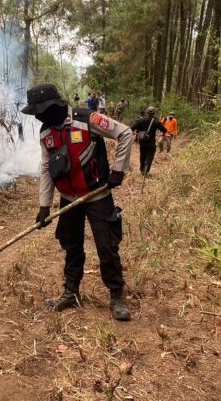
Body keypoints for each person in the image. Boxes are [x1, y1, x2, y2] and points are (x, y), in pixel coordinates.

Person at [21, 83, 134, 321]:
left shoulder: (87, 118)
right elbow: (46, 168)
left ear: (53, 107)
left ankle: (116, 296)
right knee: (71, 246)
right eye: (36, 114)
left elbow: (124, 133)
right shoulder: (46, 133)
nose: (39, 117)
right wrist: (44, 205)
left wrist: (118, 170)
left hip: (97, 196)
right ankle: (70, 292)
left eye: (41, 112)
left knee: (106, 247)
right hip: (69, 199)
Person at [130, 106, 167, 176]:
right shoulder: (156, 121)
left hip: (142, 141)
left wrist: (136, 133)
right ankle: (146, 170)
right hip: (151, 142)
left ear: (146, 112)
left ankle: (141, 169)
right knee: (149, 156)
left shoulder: (140, 120)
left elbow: (132, 128)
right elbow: (164, 130)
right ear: (154, 113)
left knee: (142, 155)